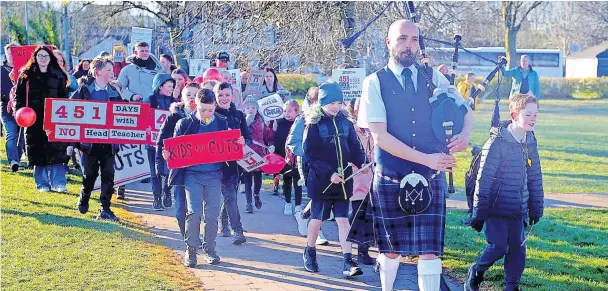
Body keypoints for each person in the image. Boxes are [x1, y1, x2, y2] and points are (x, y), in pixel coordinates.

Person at [349, 19, 474, 291]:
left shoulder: (433, 77)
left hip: (430, 178)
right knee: (392, 250)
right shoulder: (374, 82)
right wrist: (428, 160)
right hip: (392, 176)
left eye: (415, 40)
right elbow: (380, 137)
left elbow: (466, 109)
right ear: (389, 42)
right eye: (403, 39)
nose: (409, 45)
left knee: (430, 251)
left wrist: (465, 135)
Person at [465, 94, 544, 291]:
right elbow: (483, 180)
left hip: (518, 209)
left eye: (535, 114)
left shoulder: (530, 141)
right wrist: (479, 213)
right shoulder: (497, 143)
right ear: (514, 115)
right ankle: (476, 271)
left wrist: (536, 208)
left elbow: (535, 177)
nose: (533, 118)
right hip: (495, 209)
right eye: (528, 114)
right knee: (499, 247)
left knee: (518, 248)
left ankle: (512, 286)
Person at [163, 89, 243, 267]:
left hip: (215, 175)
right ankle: (191, 250)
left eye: (210, 110)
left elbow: (232, 149)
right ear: (195, 106)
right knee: (194, 212)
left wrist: (239, 144)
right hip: (193, 175)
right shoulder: (185, 124)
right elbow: (175, 150)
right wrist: (168, 154)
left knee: (212, 215)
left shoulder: (223, 123)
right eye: (202, 110)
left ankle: (210, 249)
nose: (206, 114)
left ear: (215, 106)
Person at [301, 82, 366, 277]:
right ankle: (309, 252)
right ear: (321, 102)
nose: (335, 106)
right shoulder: (313, 124)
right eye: (331, 102)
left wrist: (362, 162)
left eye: (338, 102)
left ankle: (348, 261)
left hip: (344, 182)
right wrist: (329, 173)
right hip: (322, 181)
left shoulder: (346, 123)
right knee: (317, 219)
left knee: (343, 219)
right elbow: (310, 154)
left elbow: (354, 147)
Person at [71, 57, 123, 221]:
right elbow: (70, 110)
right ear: (97, 72)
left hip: (109, 142)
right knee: (90, 176)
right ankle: (84, 196)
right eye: (108, 70)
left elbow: (123, 113)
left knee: (109, 174)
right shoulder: (84, 90)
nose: (111, 73)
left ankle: (105, 208)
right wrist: (72, 142)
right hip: (89, 143)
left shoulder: (114, 92)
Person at [14, 46, 71, 192]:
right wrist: (18, 112)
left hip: (55, 117)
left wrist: (64, 115)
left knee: (57, 149)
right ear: (35, 57)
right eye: (40, 56)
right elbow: (18, 97)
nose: (43, 59)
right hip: (32, 118)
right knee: (36, 149)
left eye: (46, 56)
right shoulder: (25, 76)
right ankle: (42, 183)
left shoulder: (58, 75)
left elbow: (64, 97)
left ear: (50, 57)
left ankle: (59, 182)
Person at [287, 87, 329, 245]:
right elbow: (293, 143)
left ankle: (304, 215)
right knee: (318, 196)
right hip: (308, 163)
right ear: (312, 101)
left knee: (324, 196)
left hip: (327, 164)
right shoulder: (303, 119)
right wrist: (310, 154)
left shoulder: (331, 119)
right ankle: (318, 233)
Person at [157, 82, 200, 238]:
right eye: (188, 95)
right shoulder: (173, 117)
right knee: (181, 207)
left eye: (195, 95)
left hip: (200, 170)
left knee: (195, 208)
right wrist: (160, 164)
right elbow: (161, 141)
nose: (192, 98)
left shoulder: (207, 118)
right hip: (179, 169)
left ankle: (194, 236)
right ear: (182, 97)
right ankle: (186, 235)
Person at [214, 82, 252, 244]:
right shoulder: (210, 114)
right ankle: (238, 229)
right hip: (215, 164)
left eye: (227, 95)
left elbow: (248, 137)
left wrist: (244, 141)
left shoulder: (238, 115)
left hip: (234, 164)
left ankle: (224, 225)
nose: (224, 98)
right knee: (230, 196)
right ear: (215, 96)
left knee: (231, 196)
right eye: (220, 95)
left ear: (232, 96)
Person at [345, 97, 375, 266]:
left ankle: (364, 250)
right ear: (355, 111)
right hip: (356, 178)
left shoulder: (374, 129)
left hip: (372, 178)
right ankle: (356, 249)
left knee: (368, 217)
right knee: (357, 215)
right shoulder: (351, 129)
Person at [242, 96, 274, 213]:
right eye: (248, 107)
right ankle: (249, 203)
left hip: (259, 153)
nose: (251, 109)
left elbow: (267, 135)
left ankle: (256, 194)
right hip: (247, 153)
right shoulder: (242, 121)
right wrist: (247, 121)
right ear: (244, 109)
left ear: (257, 109)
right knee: (247, 178)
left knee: (258, 177)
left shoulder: (261, 121)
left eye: (253, 107)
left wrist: (271, 143)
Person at [149, 73, 176, 211]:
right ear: (160, 86)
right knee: (155, 172)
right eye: (169, 86)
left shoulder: (175, 102)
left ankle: (167, 192)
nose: (172, 89)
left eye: (173, 86)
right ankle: (157, 198)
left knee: (171, 169)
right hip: (152, 143)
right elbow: (143, 118)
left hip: (170, 143)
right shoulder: (151, 100)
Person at [274, 99, 302, 215]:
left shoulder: (301, 122)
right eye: (285, 111)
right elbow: (277, 140)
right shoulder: (280, 123)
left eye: (289, 111)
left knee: (298, 181)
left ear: (297, 111)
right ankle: (287, 203)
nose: (286, 113)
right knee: (286, 180)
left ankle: (298, 205)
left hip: (297, 157)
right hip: (284, 157)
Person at [1, 42, 25, 172]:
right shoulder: (1, 70)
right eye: (9, 52)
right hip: (6, 107)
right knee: (11, 134)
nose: (11, 55)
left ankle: (18, 159)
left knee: (21, 136)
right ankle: (13, 161)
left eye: (14, 52)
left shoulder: (24, 69)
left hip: (22, 108)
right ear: (6, 53)